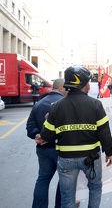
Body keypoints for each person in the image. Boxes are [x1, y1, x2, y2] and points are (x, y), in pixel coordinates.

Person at [39, 65, 112, 208]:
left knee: (67, 197)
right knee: (95, 188)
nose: (88, 85)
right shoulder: (96, 104)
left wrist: (48, 119)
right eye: (87, 82)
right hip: (91, 158)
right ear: (82, 84)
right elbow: (104, 132)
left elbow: (46, 135)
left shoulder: (56, 106)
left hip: (66, 159)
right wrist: (109, 152)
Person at [26, 78, 67, 208]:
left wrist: (37, 135)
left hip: (43, 149)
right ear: (60, 88)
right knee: (64, 181)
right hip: (60, 149)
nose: (68, 91)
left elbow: (30, 125)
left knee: (43, 179)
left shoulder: (39, 104)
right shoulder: (64, 104)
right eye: (66, 88)